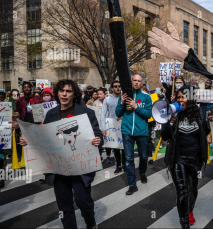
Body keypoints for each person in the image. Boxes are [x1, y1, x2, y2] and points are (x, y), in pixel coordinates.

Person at [19, 79, 103, 229]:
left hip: (80, 168)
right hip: (59, 170)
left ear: (74, 94)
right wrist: (28, 142)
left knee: (83, 200)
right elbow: (43, 139)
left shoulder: (86, 113)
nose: (64, 94)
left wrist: (98, 140)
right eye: (61, 90)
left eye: (68, 91)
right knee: (64, 207)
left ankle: (90, 222)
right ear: (57, 93)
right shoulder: (51, 114)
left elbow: (97, 134)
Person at [161, 85, 210, 229]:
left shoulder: (199, 113)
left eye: (184, 97)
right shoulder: (173, 115)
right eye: (179, 97)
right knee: (182, 190)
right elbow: (164, 136)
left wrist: (210, 123)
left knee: (192, 187)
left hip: (195, 159)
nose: (181, 100)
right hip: (177, 158)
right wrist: (169, 120)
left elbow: (204, 133)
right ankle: (184, 223)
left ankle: (189, 210)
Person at [115, 74, 152, 195]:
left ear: (142, 83)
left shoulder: (146, 97)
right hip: (127, 132)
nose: (136, 83)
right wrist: (121, 103)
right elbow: (117, 113)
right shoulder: (124, 95)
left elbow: (148, 115)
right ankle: (132, 184)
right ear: (131, 81)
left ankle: (142, 172)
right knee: (129, 159)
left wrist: (136, 106)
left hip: (141, 132)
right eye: (134, 80)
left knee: (143, 156)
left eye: (138, 81)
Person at [101, 81, 126, 174]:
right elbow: (103, 114)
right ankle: (118, 165)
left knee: (124, 146)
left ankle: (124, 165)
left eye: (119, 86)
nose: (118, 88)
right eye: (115, 86)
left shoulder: (124, 97)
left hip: (123, 124)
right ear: (112, 88)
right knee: (115, 147)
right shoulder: (107, 99)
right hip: (112, 125)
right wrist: (103, 128)